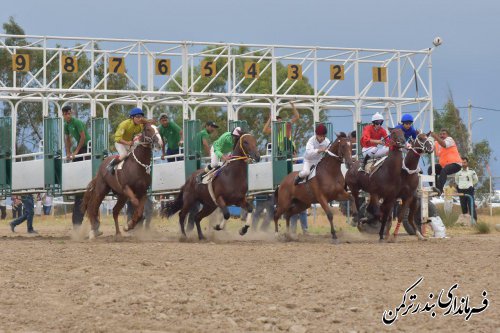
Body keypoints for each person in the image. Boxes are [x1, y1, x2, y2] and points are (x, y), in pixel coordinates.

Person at [62, 105, 91, 228]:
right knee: (73, 163)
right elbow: (67, 139)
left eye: (69, 113)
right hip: (78, 148)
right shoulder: (66, 125)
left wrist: (76, 152)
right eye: (66, 114)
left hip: (87, 145)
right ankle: (73, 184)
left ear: (71, 113)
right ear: (63, 115)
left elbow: (83, 137)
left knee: (80, 159)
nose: (68, 115)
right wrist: (68, 152)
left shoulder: (77, 122)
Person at [106, 107, 145, 174]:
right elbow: (117, 139)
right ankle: (111, 165)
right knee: (124, 155)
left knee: (137, 154)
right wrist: (127, 142)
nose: (140, 119)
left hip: (130, 143)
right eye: (138, 117)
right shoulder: (124, 124)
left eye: (141, 117)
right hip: (120, 143)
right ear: (132, 117)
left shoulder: (140, 125)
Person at [429, 128, 462, 195]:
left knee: (444, 171)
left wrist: (435, 136)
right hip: (444, 165)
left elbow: (444, 144)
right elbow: (431, 150)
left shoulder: (449, 139)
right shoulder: (436, 143)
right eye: (440, 134)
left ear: (447, 135)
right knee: (431, 169)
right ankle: (434, 186)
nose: (442, 135)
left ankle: (440, 189)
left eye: (444, 134)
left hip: (455, 164)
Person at [454, 157, 479, 221]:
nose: (463, 164)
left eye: (464, 162)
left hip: (469, 190)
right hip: (461, 190)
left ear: (467, 163)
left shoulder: (471, 171)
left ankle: (474, 222)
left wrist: (470, 184)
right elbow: (456, 181)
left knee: (471, 206)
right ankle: (465, 222)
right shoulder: (458, 172)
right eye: (462, 163)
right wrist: (460, 186)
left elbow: (476, 180)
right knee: (463, 206)